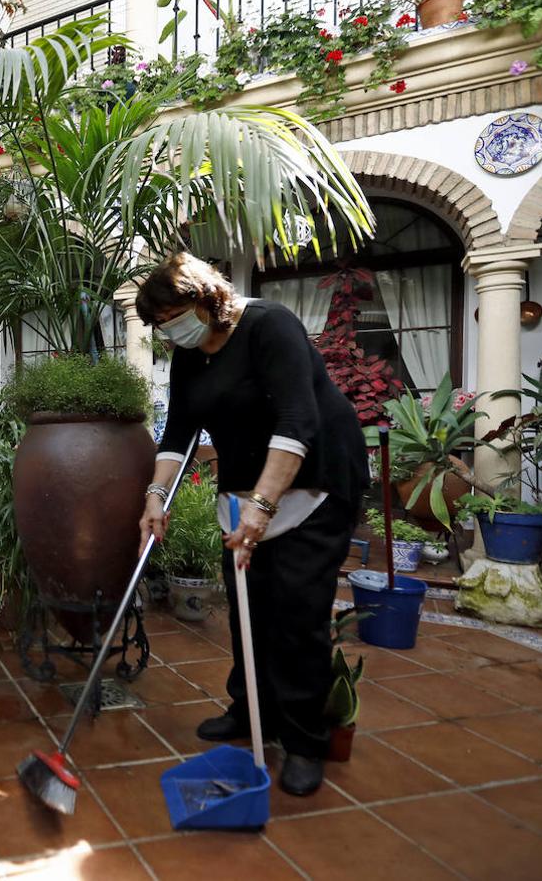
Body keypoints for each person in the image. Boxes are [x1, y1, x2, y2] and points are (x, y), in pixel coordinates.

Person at [135, 251, 368, 797]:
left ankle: (306, 739)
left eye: (174, 317)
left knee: (297, 612)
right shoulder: (190, 355)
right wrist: (155, 498)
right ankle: (249, 710)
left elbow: (298, 418)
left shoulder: (269, 326)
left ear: (205, 298)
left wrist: (264, 506)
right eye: (161, 325)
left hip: (313, 485)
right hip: (244, 488)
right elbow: (180, 434)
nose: (171, 333)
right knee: (247, 605)